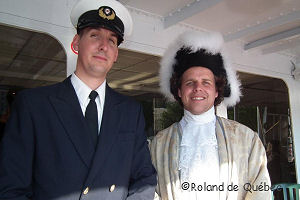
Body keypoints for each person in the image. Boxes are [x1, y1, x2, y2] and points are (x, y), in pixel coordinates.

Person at [0, 0, 156, 199]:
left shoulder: (130, 111)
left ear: (116, 54)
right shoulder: (33, 105)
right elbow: (11, 187)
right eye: (94, 35)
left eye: (112, 40)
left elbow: (144, 178)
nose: (103, 46)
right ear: (75, 44)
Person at [150, 31, 271, 200]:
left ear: (216, 91)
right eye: (189, 83)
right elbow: (150, 192)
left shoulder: (247, 138)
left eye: (206, 82)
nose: (197, 88)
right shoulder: (159, 143)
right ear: (179, 91)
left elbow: (261, 191)